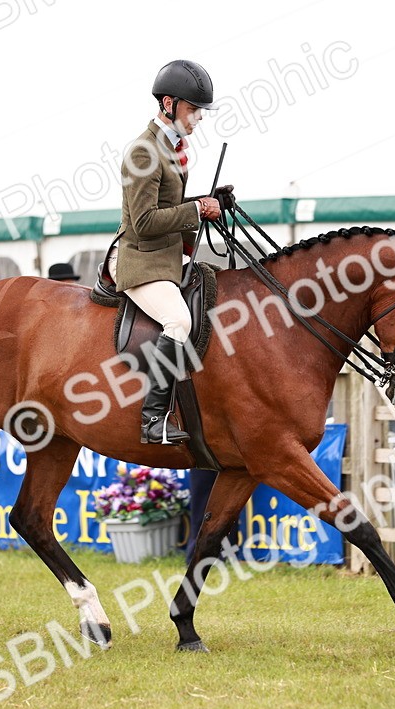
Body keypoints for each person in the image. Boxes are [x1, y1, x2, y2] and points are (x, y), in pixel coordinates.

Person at [110, 59, 223, 446]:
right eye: (193, 110)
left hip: (169, 259)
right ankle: (153, 418)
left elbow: (167, 205)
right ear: (169, 104)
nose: (198, 119)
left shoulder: (171, 149)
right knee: (178, 321)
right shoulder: (143, 151)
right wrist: (196, 210)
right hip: (141, 261)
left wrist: (207, 201)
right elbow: (144, 222)